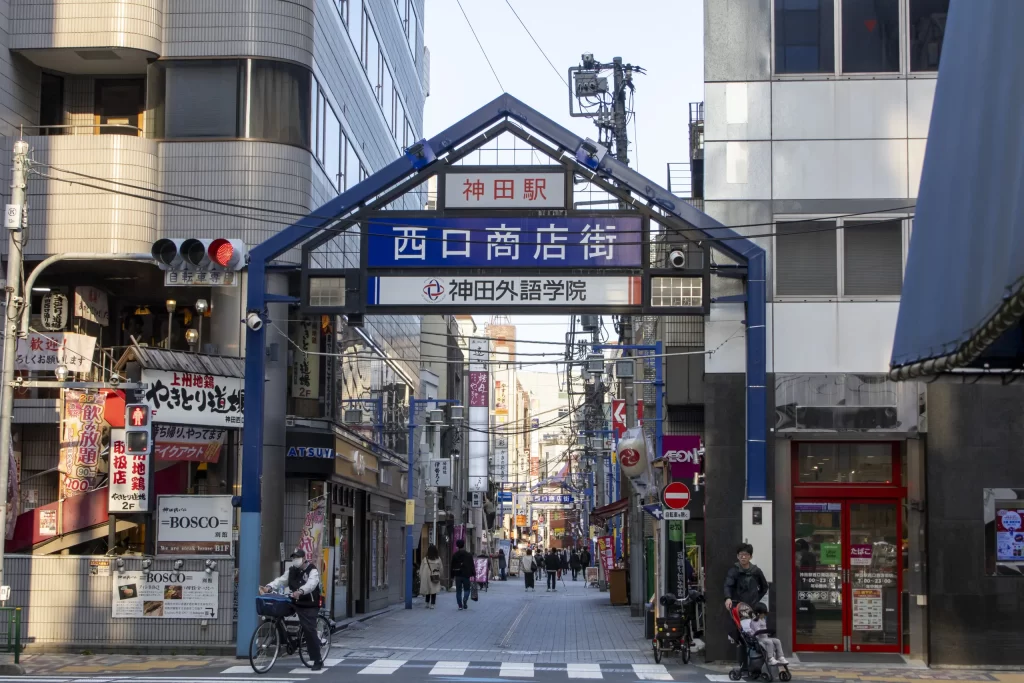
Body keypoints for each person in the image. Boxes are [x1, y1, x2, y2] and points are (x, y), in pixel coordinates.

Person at [261, 549, 323, 670]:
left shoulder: (312, 570)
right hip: (294, 601)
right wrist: (269, 586)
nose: (295, 560)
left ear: (304, 558)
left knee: (309, 629)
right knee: (277, 612)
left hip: (309, 604)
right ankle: (287, 640)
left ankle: (317, 659)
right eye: (293, 558)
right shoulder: (292, 570)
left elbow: (311, 584)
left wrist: (300, 591)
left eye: (297, 557)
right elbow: (281, 580)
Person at [724, 543, 769, 611]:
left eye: (746, 554)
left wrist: (756, 598)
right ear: (737, 556)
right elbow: (728, 585)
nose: (743, 557)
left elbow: (764, 587)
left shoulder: (756, 571)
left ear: (750, 557)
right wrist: (728, 598)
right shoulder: (733, 571)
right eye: (741, 554)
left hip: (752, 606)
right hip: (737, 606)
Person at [451, 539, 474, 610]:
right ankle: (465, 599)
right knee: (467, 589)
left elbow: (452, 566)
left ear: (457, 546)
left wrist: (452, 576)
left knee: (458, 590)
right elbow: (472, 565)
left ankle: (460, 606)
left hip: (458, 575)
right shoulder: (469, 555)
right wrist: (473, 573)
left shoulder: (455, 555)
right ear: (463, 545)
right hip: (466, 575)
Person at [418, 544, 443, 609]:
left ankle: (427, 603)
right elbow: (441, 568)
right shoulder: (438, 559)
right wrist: (440, 575)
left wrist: (420, 576)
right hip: (435, 576)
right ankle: (432, 604)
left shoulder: (425, 559)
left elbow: (421, 569)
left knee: (427, 590)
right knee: (433, 590)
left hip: (426, 576)